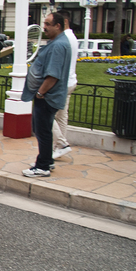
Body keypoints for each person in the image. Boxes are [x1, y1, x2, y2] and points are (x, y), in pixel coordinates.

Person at [21, 12, 72, 178]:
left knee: (43, 131)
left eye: (48, 24)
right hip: (47, 96)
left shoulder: (58, 45)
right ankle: (47, 160)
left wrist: (40, 92)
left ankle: (42, 166)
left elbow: (53, 75)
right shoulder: (57, 42)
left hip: (48, 96)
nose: (44, 27)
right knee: (43, 129)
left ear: (58, 25)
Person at [52, 10, 79, 159]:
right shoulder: (72, 37)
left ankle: (61, 144)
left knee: (46, 115)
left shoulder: (63, 39)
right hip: (70, 81)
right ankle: (58, 148)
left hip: (62, 83)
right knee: (62, 116)